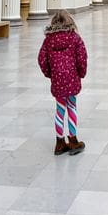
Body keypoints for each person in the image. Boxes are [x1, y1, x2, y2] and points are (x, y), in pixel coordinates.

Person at [38, 10, 88, 156]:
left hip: (57, 80)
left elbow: (42, 59)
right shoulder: (75, 38)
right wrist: (81, 73)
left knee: (60, 110)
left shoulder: (48, 40)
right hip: (72, 79)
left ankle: (59, 143)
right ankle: (73, 141)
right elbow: (82, 58)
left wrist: (50, 74)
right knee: (72, 108)